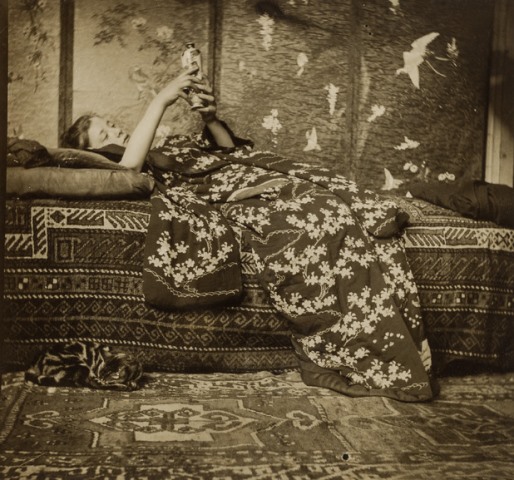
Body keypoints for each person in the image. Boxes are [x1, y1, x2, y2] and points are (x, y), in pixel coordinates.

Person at [61, 66, 235, 172]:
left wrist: (211, 120)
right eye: (105, 136)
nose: (116, 131)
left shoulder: (165, 147)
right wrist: (160, 100)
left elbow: (233, 155)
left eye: (111, 125)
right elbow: (129, 167)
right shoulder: (127, 173)